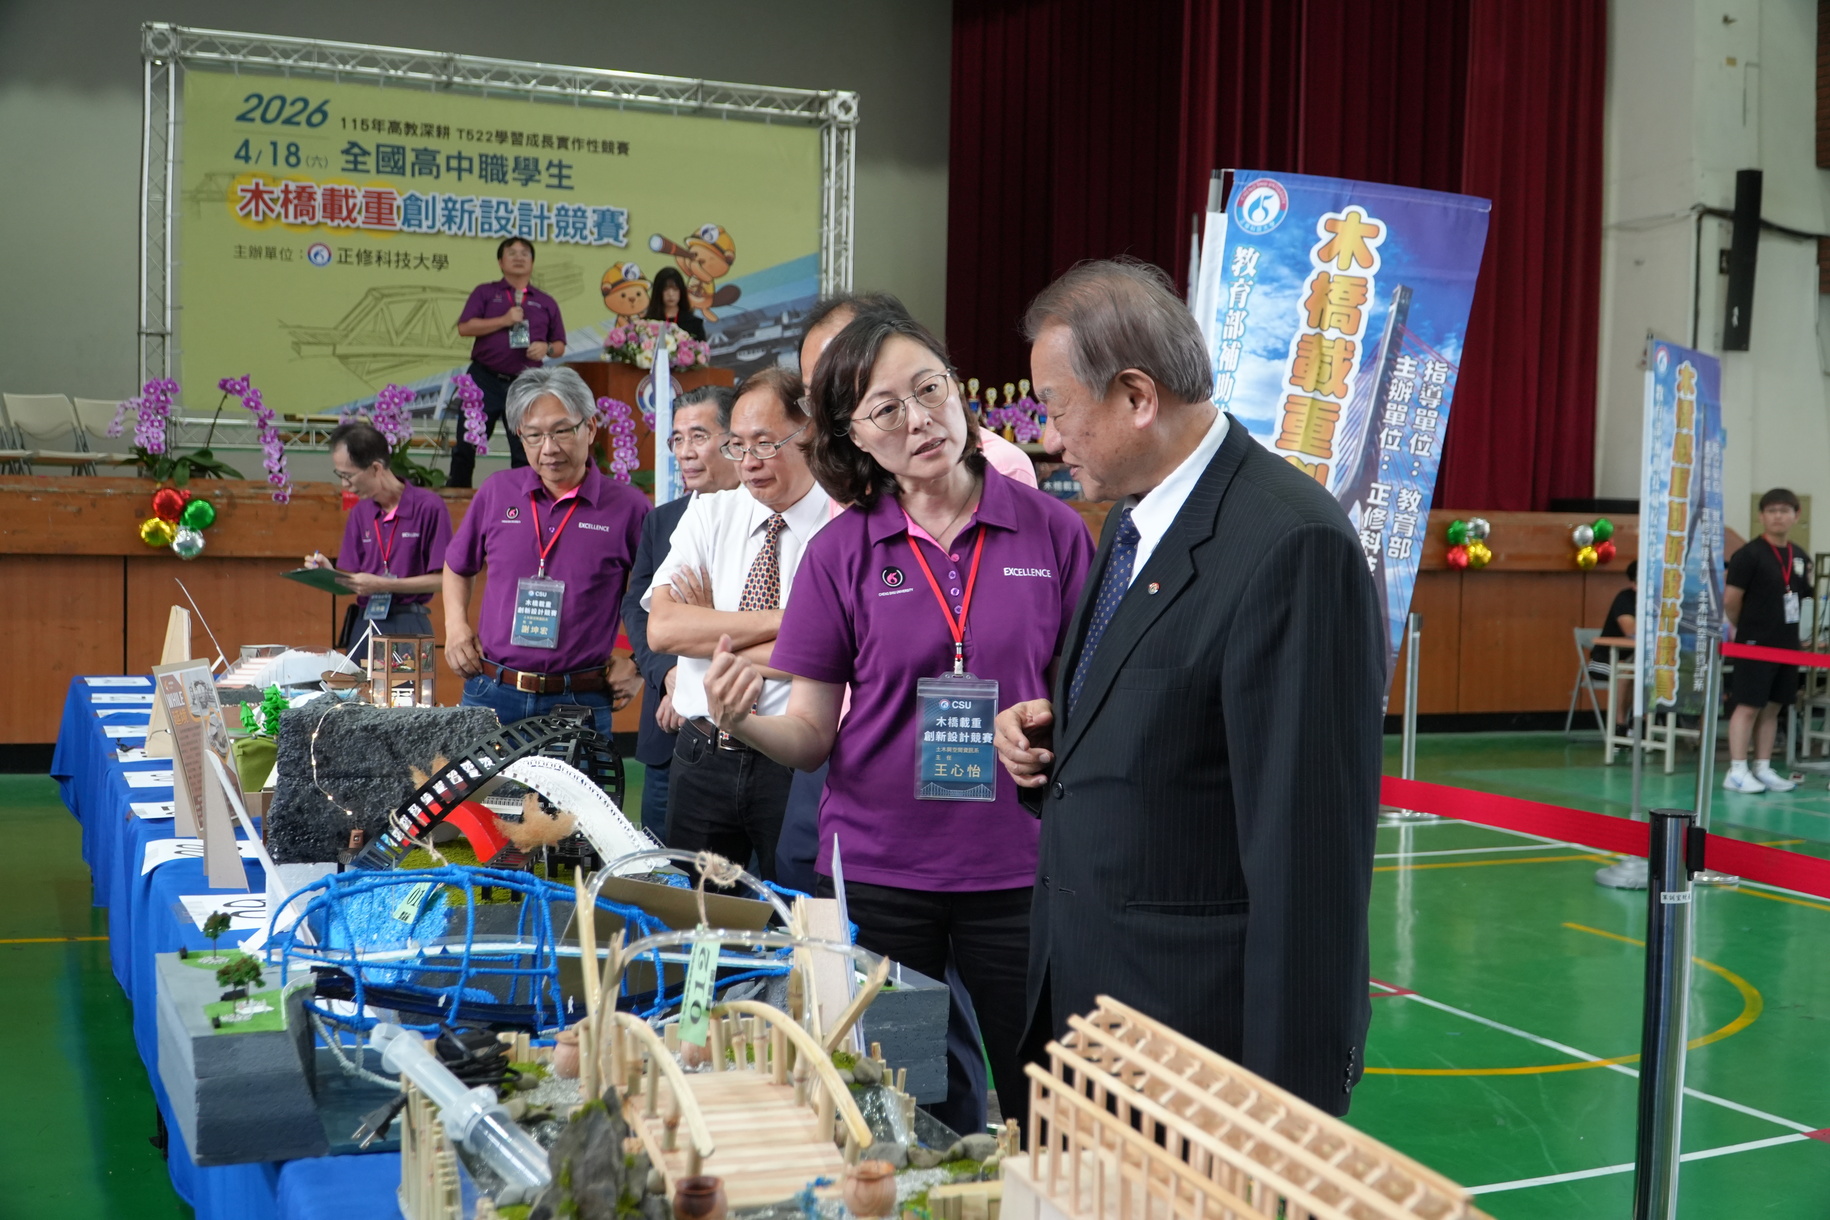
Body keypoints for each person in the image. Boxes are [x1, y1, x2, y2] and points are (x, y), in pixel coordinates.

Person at [993, 258, 1383, 1118]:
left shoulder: (1290, 546)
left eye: (1057, 408)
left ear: (1137, 396)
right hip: (1092, 1015)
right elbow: (1172, 721)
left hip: (1195, 1053)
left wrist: (1289, 1114)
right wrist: (1058, 740)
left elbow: (1308, 860)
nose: (1049, 439)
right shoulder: (1133, 519)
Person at [700, 311, 1092, 1135]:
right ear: (853, 436)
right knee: (911, 1101)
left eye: (929, 389)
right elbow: (811, 733)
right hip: (884, 881)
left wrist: (1051, 725)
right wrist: (743, 721)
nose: (919, 420)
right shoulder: (841, 552)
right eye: (886, 409)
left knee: (1045, 1096)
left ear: (957, 389)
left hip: (1018, 870)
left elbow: (1085, 692)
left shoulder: (1051, 529)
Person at [644, 368, 832, 881]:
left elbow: (835, 650)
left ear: (808, 432)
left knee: (794, 912)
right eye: (738, 446)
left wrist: (710, 636)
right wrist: (786, 621)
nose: (748, 462)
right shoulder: (710, 514)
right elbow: (663, 629)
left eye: (765, 444)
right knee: (695, 914)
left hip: (793, 762)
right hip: (702, 752)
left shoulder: (843, 524)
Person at [442, 366, 645, 738]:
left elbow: (661, 595)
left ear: (590, 428)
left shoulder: (629, 508)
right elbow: (457, 565)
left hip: (579, 699)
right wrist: (455, 628)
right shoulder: (496, 492)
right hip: (491, 691)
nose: (548, 449)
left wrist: (639, 665)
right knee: (478, 782)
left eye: (561, 431)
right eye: (533, 435)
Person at [620, 385, 741, 833]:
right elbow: (638, 607)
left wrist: (692, 677)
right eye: (677, 439)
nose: (685, 452)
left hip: (745, 731)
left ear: (734, 439)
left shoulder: (766, 518)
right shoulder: (663, 520)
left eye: (698, 436)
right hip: (669, 728)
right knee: (665, 860)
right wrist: (669, 673)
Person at [800, 293, 1040, 490]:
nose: (918, 420)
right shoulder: (851, 482)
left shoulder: (1000, 468)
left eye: (929, 388)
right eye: (818, 398)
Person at [307, 421, 453, 653]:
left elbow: (445, 580)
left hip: (408, 621)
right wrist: (330, 573)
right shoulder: (360, 512)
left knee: (406, 678)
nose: (345, 485)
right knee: (354, 678)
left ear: (376, 468)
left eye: (348, 476)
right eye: (340, 475)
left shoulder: (429, 507)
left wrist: (385, 584)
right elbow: (358, 581)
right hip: (365, 621)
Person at [449, 237, 568, 488]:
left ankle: (526, 498)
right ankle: (457, 495)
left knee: (526, 447)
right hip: (484, 379)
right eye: (511, 253)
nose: (518, 257)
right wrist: (504, 320)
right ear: (501, 262)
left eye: (525, 253)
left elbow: (559, 345)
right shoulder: (485, 292)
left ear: (532, 262)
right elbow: (464, 327)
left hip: (526, 384)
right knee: (466, 444)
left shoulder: (545, 301)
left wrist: (546, 348)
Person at [1723, 488, 1813, 794]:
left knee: (1774, 707)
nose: (1778, 516)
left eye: (1784, 511)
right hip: (1754, 642)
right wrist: (1747, 629)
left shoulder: (1799, 556)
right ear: (1761, 516)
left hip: (1787, 644)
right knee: (1748, 705)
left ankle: (1762, 766)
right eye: (1772, 511)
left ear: (1796, 516)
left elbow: (1803, 598)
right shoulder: (1748, 555)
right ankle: (1737, 770)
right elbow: (1731, 600)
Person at [1588, 559, 1639, 738]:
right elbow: (1631, 630)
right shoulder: (1625, 598)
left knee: (1646, 672)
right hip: (1605, 659)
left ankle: (1641, 725)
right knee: (1627, 673)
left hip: (1635, 659)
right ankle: (1620, 726)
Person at [644, 266, 707, 342]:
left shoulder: (694, 323)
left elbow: (701, 348)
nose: (671, 294)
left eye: (675, 289)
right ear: (658, 292)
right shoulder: (647, 324)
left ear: (681, 291)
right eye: (665, 289)